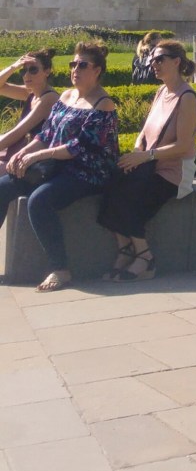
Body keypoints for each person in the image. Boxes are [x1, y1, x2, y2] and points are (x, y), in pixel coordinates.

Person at [0, 42, 119, 290]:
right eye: (73, 64)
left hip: (86, 172)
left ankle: (60, 269)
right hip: (55, 166)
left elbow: (79, 147)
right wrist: (24, 153)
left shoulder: (103, 104)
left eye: (82, 65)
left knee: (39, 200)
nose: (75, 69)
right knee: (3, 187)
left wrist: (37, 156)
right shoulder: (66, 96)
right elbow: (46, 133)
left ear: (97, 70)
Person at [99, 40, 196, 282]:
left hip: (173, 172)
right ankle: (125, 249)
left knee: (129, 197)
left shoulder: (187, 97)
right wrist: (137, 152)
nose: (153, 64)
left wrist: (145, 156)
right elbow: (144, 132)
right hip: (149, 164)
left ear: (176, 62)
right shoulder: (161, 91)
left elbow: (183, 145)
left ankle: (145, 257)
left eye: (159, 59)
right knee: (108, 183)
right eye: (151, 59)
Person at [0, 52, 56, 172]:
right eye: (23, 71)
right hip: (19, 148)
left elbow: (19, 131)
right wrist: (14, 66)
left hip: (32, 155)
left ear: (47, 71)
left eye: (33, 70)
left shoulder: (49, 98)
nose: (26, 75)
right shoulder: (31, 92)